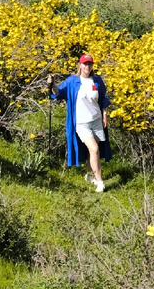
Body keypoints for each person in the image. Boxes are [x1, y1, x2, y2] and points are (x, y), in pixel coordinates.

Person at [47, 54, 110, 192]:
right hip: (82, 123)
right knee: (94, 149)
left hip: (97, 121)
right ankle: (100, 182)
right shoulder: (72, 81)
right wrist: (52, 84)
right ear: (80, 65)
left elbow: (103, 98)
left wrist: (104, 114)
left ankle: (89, 175)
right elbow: (58, 93)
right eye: (85, 64)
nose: (87, 66)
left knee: (92, 151)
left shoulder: (97, 80)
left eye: (90, 64)